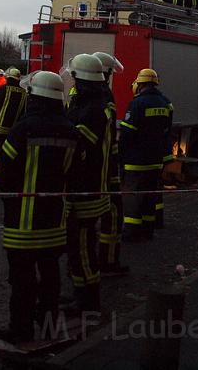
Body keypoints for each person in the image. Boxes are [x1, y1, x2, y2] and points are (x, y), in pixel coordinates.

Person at [0, 71, 79, 345]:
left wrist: (8, 198)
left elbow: (5, 172)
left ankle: (21, 329)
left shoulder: (22, 129)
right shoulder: (71, 132)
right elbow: (77, 172)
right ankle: (49, 324)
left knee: (22, 278)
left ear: (35, 96)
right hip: (54, 221)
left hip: (22, 222)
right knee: (51, 275)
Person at [65, 54, 111, 313]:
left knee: (82, 246)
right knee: (79, 244)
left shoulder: (93, 109)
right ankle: (80, 292)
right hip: (87, 184)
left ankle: (87, 298)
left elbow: (80, 142)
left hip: (87, 187)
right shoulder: (91, 103)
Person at [119, 68, 173, 242]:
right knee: (150, 195)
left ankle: (132, 232)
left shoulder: (137, 104)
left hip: (136, 160)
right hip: (155, 159)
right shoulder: (165, 103)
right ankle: (148, 230)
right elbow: (167, 131)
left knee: (132, 196)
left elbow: (127, 134)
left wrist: (120, 155)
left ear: (140, 84)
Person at [92, 51, 130, 277]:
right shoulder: (104, 96)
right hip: (106, 168)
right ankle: (108, 262)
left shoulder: (80, 93)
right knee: (112, 217)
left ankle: (88, 264)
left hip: (96, 168)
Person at [0, 67, 27, 179]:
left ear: (8, 78)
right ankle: (3, 173)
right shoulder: (24, 93)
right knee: (6, 154)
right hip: (13, 130)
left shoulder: (3, 89)